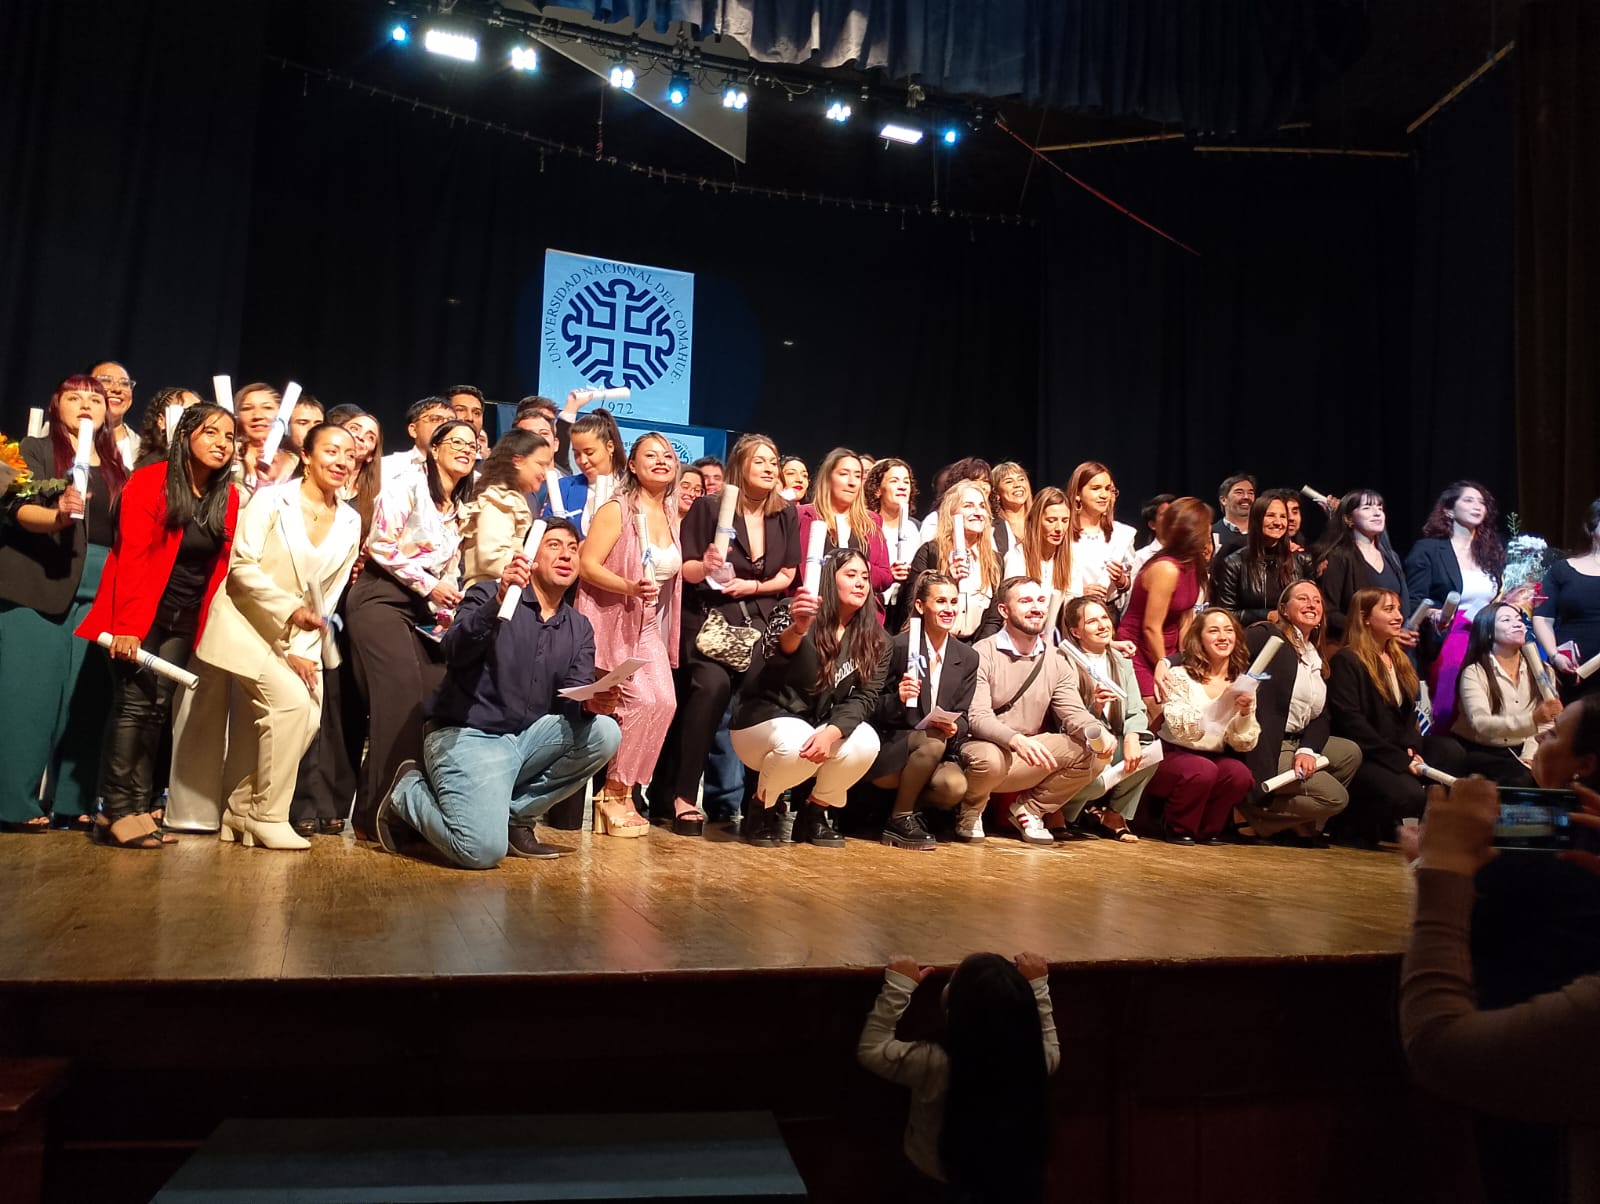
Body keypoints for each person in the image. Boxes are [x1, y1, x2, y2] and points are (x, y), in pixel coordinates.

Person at [1400, 739, 1600, 1201]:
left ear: (1584, 767)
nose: (1541, 740)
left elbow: (1438, 1047)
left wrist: (1441, 866)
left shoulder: (1543, 847)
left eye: (1556, 734)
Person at [377, 521, 622, 869]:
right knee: (480, 850)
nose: (566, 554)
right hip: (470, 734)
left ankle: (515, 819)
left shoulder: (579, 626)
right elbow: (453, 650)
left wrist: (591, 703)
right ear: (530, 556)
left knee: (604, 732)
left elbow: (571, 698)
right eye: (554, 545)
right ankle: (408, 792)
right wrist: (496, 603)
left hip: (525, 740)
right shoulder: (488, 593)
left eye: (573, 548)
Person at [173, 424, 363, 850]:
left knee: (308, 718)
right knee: (292, 706)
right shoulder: (271, 500)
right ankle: (268, 816)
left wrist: (303, 648)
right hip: (244, 623)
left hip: (297, 637)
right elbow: (242, 568)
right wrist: (289, 612)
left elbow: (327, 597)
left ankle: (240, 809)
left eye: (349, 455)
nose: (341, 461)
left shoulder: (351, 520)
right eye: (331, 451)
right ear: (307, 456)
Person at [75, 405, 239, 848]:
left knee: (157, 707)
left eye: (229, 436)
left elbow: (221, 567)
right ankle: (115, 809)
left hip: (184, 617)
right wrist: (128, 625)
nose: (222, 443)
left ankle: (138, 807)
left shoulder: (227, 496)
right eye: (211, 432)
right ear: (185, 435)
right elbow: (132, 556)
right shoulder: (150, 481)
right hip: (140, 613)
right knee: (133, 704)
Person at [0, 375, 128, 832]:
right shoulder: (32, 450)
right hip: (40, 580)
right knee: (29, 696)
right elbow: (15, 507)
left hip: (101, 585)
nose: (86, 404)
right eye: (74, 397)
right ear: (56, 406)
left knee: (87, 698)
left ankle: (74, 802)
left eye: (95, 398)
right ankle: (13, 803)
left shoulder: (117, 467)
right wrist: (56, 516)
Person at [657, 434, 799, 827]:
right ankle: (684, 795)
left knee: (768, 692)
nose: (769, 468)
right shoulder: (709, 507)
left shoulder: (785, 513)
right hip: (710, 619)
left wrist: (751, 586)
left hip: (760, 619)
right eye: (760, 461)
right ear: (740, 465)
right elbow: (686, 570)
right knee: (712, 688)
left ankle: (762, 800)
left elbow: (788, 573)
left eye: (773, 461)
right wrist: (706, 565)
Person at [344, 419, 476, 838]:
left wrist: (445, 607)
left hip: (421, 609)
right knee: (399, 698)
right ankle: (377, 815)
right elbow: (380, 545)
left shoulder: (457, 509)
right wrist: (429, 585)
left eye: (472, 445)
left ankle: (404, 808)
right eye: (455, 442)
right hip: (380, 597)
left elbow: (447, 569)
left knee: (433, 696)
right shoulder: (407, 486)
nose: (466, 449)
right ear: (434, 449)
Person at [858, 951, 1056, 1202]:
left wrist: (898, 986)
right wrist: (1037, 987)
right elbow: (1046, 1039)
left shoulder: (934, 1062)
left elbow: (872, 1050)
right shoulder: (1034, 1060)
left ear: (953, 1010)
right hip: (1013, 1183)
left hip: (937, 1182)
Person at [730, 547, 886, 848]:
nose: (860, 583)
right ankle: (761, 808)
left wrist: (832, 732)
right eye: (850, 575)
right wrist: (798, 629)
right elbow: (773, 658)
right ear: (829, 579)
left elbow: (865, 698)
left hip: (816, 726)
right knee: (796, 741)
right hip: (762, 722)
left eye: (865, 577)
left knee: (866, 741)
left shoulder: (876, 639)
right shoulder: (791, 608)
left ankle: (814, 813)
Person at [576, 433, 686, 834]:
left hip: (650, 623)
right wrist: (628, 587)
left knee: (665, 703)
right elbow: (587, 564)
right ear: (633, 466)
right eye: (650, 455)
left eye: (668, 455)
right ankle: (611, 794)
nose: (661, 461)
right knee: (637, 702)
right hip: (617, 620)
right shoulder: (617, 509)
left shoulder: (671, 513)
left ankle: (626, 791)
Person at [957, 577, 1106, 844]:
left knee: (1095, 751)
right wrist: (1014, 739)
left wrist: (1096, 733)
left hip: (1026, 752)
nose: (1036, 607)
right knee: (991, 759)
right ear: (1004, 610)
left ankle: (1030, 810)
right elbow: (977, 717)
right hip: (985, 749)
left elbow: (1073, 711)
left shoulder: (1056, 658)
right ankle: (970, 811)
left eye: (1040, 600)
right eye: (1025, 601)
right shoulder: (983, 652)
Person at [1236, 582, 1362, 843]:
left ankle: (1289, 822)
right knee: (1335, 798)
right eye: (1302, 599)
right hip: (1271, 742)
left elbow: (1322, 714)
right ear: (1283, 609)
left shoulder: (1315, 653)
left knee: (1350, 753)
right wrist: (1171, 662)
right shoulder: (1267, 635)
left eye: (1316, 600)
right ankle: (1255, 811)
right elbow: (1224, 651)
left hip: (1298, 739)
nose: (1311, 605)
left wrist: (1307, 750)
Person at [868, 571, 977, 850]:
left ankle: (906, 810)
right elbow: (869, 704)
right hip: (893, 744)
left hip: (937, 748)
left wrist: (956, 727)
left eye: (954, 602)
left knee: (954, 786)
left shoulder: (967, 657)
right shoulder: (897, 646)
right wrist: (898, 699)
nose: (949, 609)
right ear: (920, 605)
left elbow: (964, 715)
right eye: (940, 601)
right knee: (932, 740)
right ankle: (900, 818)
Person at [1145, 607, 1259, 844]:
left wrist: (1244, 712)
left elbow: (1243, 742)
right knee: (1201, 769)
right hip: (1172, 753)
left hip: (1214, 755)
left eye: (1228, 630)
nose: (1223, 637)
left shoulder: (1242, 682)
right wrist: (1221, 705)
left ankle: (1209, 829)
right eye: (1214, 631)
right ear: (1199, 639)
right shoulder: (1179, 675)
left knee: (1239, 774)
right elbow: (1179, 729)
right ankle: (1177, 826)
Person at [1328, 588, 1429, 844]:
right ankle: (1357, 825)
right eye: (1388, 610)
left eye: (1398, 609)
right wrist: (1399, 759)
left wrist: (1412, 747)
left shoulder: (1399, 659)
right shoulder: (1347, 660)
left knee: (1448, 753)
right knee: (1410, 794)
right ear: (1365, 618)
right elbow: (1352, 724)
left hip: (1395, 748)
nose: (1398, 616)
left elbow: (1408, 716)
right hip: (1368, 754)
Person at [1053, 596, 1157, 843]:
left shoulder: (1120, 660)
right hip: (1081, 742)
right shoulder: (1064, 661)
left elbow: (1136, 708)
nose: (1102, 625)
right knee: (1097, 782)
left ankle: (1114, 815)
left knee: (1148, 751)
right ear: (1076, 632)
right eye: (1092, 621)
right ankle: (1061, 812)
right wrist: (1096, 708)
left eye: (1104, 618)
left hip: (1114, 738)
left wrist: (1132, 738)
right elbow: (1064, 717)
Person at [1406, 480, 1506, 732]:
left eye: (1481, 502)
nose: (1477, 506)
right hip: (1450, 634)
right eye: (1469, 500)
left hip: (1487, 631)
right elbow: (1414, 599)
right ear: (1449, 510)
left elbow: (1497, 594)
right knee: (1451, 702)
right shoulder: (1429, 549)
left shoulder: (1491, 550)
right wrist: (1436, 614)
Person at [1426, 602, 1558, 787]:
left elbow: (1547, 723)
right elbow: (1481, 723)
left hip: (1522, 749)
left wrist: (1529, 756)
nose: (1517, 624)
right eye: (1507, 620)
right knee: (1521, 780)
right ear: (1488, 632)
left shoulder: (1544, 670)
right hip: (1480, 748)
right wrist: (1532, 720)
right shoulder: (1474, 672)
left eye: (1519, 620)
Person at [1116, 496, 1213, 719]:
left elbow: (1186, 618)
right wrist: (1166, 665)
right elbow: (1150, 627)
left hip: (1168, 649)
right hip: (1139, 648)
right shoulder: (1166, 569)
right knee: (1160, 714)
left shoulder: (1193, 563)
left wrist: (1185, 662)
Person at [457, 431, 555, 591]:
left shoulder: (515, 500)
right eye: (540, 464)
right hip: (488, 594)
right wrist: (539, 571)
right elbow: (491, 558)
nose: (545, 473)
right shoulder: (499, 500)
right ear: (517, 461)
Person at [796, 448, 893, 605]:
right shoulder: (802, 516)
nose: (852, 482)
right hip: (814, 608)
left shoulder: (871, 522)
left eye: (858, 476)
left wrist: (859, 568)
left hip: (858, 613)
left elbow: (885, 577)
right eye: (844, 474)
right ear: (828, 477)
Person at [904, 483, 1001, 642]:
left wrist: (979, 648)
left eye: (982, 506)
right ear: (951, 513)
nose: (978, 513)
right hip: (934, 642)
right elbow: (911, 601)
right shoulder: (931, 552)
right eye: (968, 506)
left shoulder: (994, 560)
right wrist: (947, 577)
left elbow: (993, 617)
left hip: (976, 645)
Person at [1317, 488, 1411, 645]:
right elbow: (1330, 611)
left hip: (1392, 646)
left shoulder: (1391, 557)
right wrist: (1372, 631)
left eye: (1380, 508)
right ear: (1348, 519)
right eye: (1367, 508)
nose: (1377, 513)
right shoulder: (1339, 556)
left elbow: (1404, 606)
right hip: (1357, 645)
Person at [1210, 493, 1314, 625]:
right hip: (1251, 634)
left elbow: (1313, 604)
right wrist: (1266, 616)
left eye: (1283, 516)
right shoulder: (1234, 563)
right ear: (1256, 519)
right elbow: (1226, 613)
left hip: (1292, 633)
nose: (1278, 522)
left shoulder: (1302, 561)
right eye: (1270, 515)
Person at [1534, 498, 1600, 703]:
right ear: (1592, 526)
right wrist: (1554, 655)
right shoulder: (1562, 570)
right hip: (1572, 669)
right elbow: (1542, 618)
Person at [1065, 461, 1137, 611]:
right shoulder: (1063, 532)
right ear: (1077, 493)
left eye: (1108, 489)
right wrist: (1078, 593)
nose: (1104, 495)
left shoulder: (1121, 534)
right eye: (1096, 488)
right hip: (1070, 611)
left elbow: (1128, 583)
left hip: (1107, 611)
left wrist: (1121, 580)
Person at [546, 409, 622, 538]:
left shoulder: (632, 487)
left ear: (610, 447)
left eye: (589, 452)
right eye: (576, 454)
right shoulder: (563, 488)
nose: (582, 461)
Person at [866, 457, 920, 631]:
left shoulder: (913, 529)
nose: (902, 486)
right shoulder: (867, 526)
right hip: (872, 607)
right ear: (877, 490)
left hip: (903, 610)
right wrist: (888, 574)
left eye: (906, 482)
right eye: (894, 481)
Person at [1004, 486, 1071, 600]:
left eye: (1065, 521)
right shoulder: (1017, 557)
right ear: (1036, 520)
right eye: (1051, 520)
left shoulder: (1072, 558)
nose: (1059, 528)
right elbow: (1014, 602)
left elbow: (1073, 601)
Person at [380, 397, 453, 487]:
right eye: (435, 419)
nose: (445, 425)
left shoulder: (464, 469)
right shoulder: (387, 466)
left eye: (451, 421)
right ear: (413, 430)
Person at [917, 457, 991, 541]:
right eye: (975, 480)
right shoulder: (935, 520)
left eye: (986, 481)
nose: (982, 486)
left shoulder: (989, 520)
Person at [131, 386, 202, 469]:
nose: (195, 420)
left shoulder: (207, 462)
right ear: (161, 421)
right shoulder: (149, 469)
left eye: (200, 413)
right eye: (188, 412)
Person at [90, 360, 139, 469]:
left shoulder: (144, 450)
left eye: (125, 383)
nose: (117, 389)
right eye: (106, 381)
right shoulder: (66, 440)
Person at [231, 382, 281, 488]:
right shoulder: (229, 460)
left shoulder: (293, 463)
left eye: (267, 407)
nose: (257, 416)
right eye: (247, 408)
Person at [989, 461, 1032, 563]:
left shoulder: (1040, 520)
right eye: (1009, 481)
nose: (1017, 485)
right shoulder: (992, 527)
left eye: (1021, 479)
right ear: (996, 493)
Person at [1213, 473, 1256, 555]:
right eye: (1239, 492)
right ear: (1223, 500)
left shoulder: (1262, 532)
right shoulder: (1211, 534)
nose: (1246, 497)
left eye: (1250, 493)